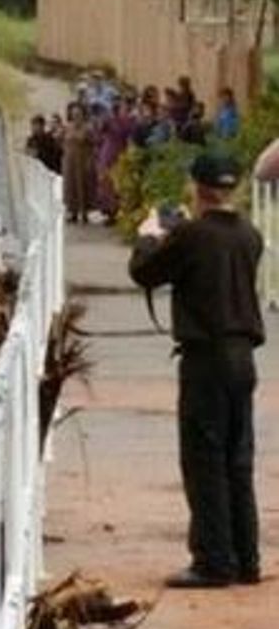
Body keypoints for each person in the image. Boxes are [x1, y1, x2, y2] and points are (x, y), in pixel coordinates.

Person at [128, 153, 264, 588]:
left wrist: (149, 237)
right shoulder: (249, 234)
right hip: (244, 357)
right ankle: (246, 558)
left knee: (204, 458)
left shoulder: (191, 236)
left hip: (206, 357)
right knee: (237, 459)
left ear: (198, 187)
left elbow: (145, 272)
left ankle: (212, 560)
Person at [62, 103, 93, 223]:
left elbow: (91, 144)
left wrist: (90, 160)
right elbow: (63, 142)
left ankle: (84, 212)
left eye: (78, 114)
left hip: (82, 159)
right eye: (73, 114)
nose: (75, 116)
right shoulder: (67, 127)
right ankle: (73, 212)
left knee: (83, 185)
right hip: (69, 160)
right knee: (71, 186)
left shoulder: (87, 128)